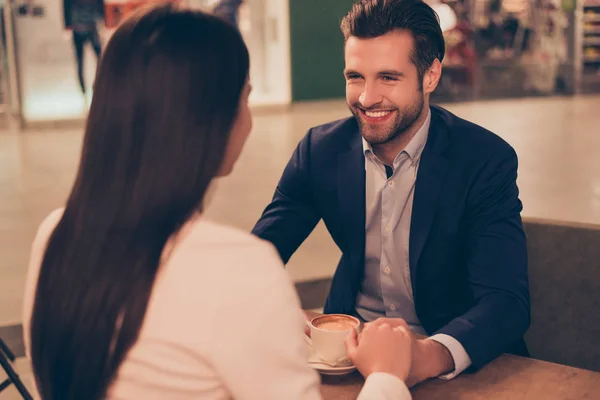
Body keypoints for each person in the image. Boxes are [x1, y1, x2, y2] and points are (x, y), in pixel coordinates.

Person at [22, 4, 413, 400]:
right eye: (245, 98)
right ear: (212, 122)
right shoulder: (239, 269)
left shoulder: (54, 235)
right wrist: (387, 376)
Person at [252, 0, 530, 387]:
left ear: (430, 75)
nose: (366, 98)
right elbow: (257, 256)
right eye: (355, 76)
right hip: (347, 358)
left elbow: (506, 303)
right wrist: (273, 308)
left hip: (455, 360)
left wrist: (424, 355)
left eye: (388, 77)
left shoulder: (485, 160)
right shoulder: (320, 151)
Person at [63, 0, 104, 96]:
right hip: (82, 26)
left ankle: (92, 88)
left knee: (98, 58)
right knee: (82, 60)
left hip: (89, 26)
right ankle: (85, 91)